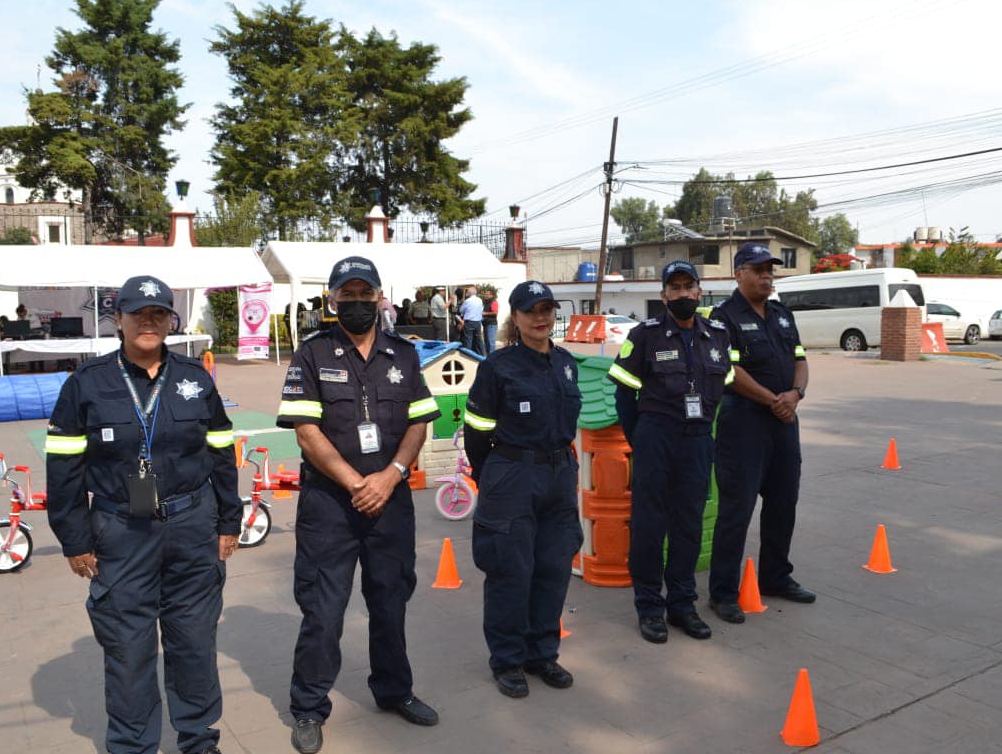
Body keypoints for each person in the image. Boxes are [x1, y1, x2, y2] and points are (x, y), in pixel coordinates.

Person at [44, 275, 240, 754]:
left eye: (159, 314)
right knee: (128, 648)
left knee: (193, 641)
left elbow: (220, 450)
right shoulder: (86, 384)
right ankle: (132, 745)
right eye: (138, 314)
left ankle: (198, 739)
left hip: (193, 525)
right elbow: (63, 467)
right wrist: (74, 540)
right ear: (119, 321)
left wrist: (229, 522)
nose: (148, 323)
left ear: (171, 321)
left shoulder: (195, 379)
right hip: (121, 530)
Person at [277, 256, 442, 754]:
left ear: (379, 297)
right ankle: (308, 707)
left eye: (364, 294)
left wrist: (391, 476)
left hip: (390, 501)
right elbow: (306, 433)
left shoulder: (404, 355)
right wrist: (356, 483)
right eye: (345, 295)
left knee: (390, 603)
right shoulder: (311, 354)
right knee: (323, 611)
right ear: (331, 300)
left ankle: (394, 692)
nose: (355, 302)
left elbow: (418, 422)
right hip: (331, 505)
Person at [463, 280, 584, 699]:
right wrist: (492, 474)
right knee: (510, 571)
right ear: (515, 317)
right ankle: (509, 660)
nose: (541, 317)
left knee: (553, 567)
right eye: (532, 310)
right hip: (512, 473)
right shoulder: (498, 367)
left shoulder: (567, 363)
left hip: (558, 475)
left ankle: (542, 654)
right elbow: (477, 430)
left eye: (547, 309)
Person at [608, 261, 733, 643]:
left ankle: (682, 605)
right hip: (656, 438)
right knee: (649, 525)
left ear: (699, 290)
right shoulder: (645, 336)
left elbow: (725, 385)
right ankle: (649, 607)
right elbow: (624, 392)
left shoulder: (718, 335)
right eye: (673, 288)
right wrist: (641, 438)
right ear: (663, 295)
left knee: (688, 524)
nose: (681, 294)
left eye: (687, 286)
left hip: (697, 440)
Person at [708, 242, 814, 626]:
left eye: (771, 269)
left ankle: (775, 577)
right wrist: (774, 400)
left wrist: (796, 395)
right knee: (737, 510)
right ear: (739, 274)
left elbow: (801, 359)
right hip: (744, 425)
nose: (768, 275)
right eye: (759, 269)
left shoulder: (783, 315)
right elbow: (730, 372)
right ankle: (722, 592)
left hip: (784, 423)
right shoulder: (723, 318)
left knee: (784, 503)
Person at [458, 286, 485, 355]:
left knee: (468, 340)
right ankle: (482, 355)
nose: (466, 293)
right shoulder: (480, 300)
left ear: (469, 293)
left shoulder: (467, 301)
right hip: (478, 322)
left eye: (467, 292)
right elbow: (481, 309)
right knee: (479, 340)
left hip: (469, 322)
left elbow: (461, 310)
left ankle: (468, 356)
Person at [481, 288, 499, 355]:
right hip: (486, 324)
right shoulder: (486, 303)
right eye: (485, 294)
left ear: (491, 295)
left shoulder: (494, 302)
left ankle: (492, 358)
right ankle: (488, 357)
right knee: (486, 343)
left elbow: (495, 313)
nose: (485, 295)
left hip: (491, 325)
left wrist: (485, 313)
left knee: (491, 343)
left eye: (487, 294)